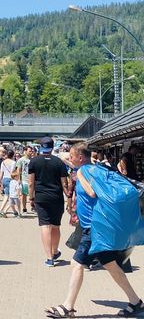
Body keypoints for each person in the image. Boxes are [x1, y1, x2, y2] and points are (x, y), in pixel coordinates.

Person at [44, 159, 144, 318]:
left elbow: (91, 192)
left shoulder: (84, 171)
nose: (70, 158)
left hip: (94, 229)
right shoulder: (96, 170)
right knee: (111, 265)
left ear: (79, 157)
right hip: (98, 227)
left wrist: (79, 174)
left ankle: (67, 307)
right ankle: (136, 302)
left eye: (72, 156)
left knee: (76, 263)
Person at [29, 136, 69, 267]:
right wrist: (68, 197)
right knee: (56, 225)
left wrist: (31, 197)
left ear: (41, 147)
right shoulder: (59, 162)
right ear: (53, 147)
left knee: (45, 226)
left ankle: (49, 258)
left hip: (41, 197)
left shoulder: (34, 162)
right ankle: (54, 250)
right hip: (56, 197)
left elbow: (31, 183)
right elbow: (64, 183)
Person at [15, 146, 34, 214]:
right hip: (24, 179)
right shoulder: (21, 160)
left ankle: (32, 206)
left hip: (32, 180)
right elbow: (18, 170)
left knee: (33, 194)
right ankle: (24, 208)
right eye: (30, 151)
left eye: (31, 151)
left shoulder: (33, 160)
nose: (31, 152)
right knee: (24, 195)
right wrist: (19, 179)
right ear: (25, 151)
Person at [0, 149, 15, 217]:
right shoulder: (13, 162)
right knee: (7, 196)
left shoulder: (3, 162)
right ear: (13, 155)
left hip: (4, 179)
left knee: (10, 196)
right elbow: (12, 172)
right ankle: (1, 210)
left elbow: (1, 173)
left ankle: (15, 211)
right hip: (10, 180)